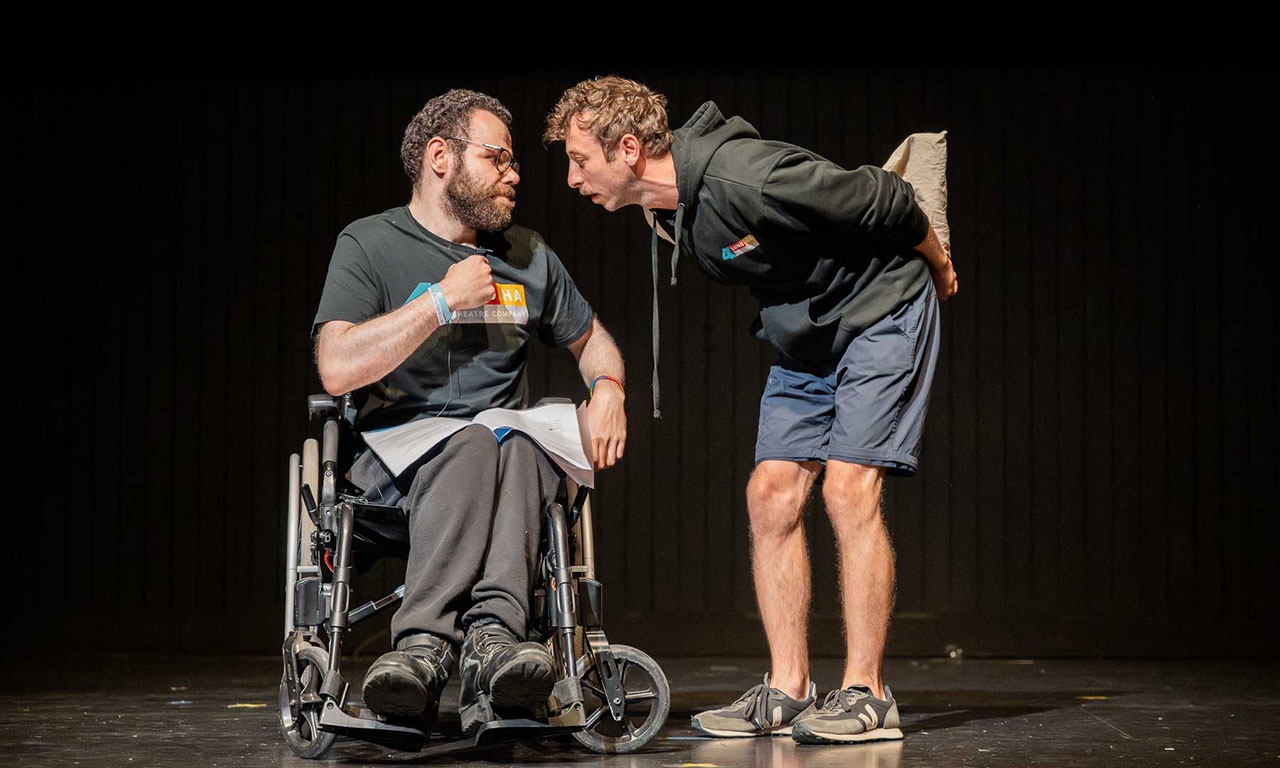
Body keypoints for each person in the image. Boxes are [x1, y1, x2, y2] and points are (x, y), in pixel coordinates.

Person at [544, 76, 957, 745]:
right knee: (770, 495)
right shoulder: (669, 210)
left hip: (882, 308)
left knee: (848, 490)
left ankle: (868, 693)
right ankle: (789, 688)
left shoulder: (746, 177)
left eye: (579, 160)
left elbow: (884, 196)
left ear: (628, 150)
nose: (571, 178)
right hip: (808, 334)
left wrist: (936, 262)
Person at [313, 89, 626, 735]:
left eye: (513, 161)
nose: (514, 174)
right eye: (497, 158)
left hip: (506, 462)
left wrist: (610, 388)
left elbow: (590, 338)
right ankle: (423, 646)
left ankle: (495, 643)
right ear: (440, 157)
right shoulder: (370, 244)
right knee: (474, 441)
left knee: (517, 440)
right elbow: (336, 366)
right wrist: (439, 303)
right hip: (396, 465)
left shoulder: (526, 254)